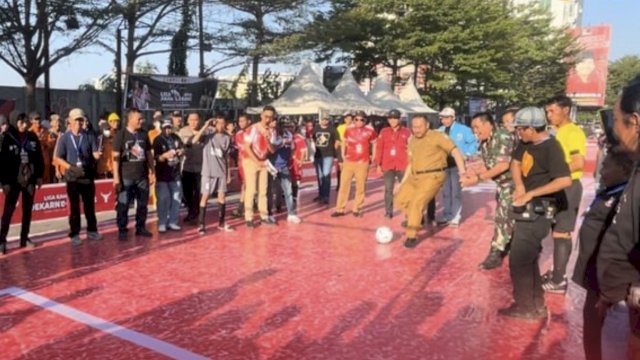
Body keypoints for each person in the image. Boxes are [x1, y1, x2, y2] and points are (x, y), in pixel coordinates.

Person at [499, 107, 571, 320]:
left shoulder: (552, 148)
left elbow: (564, 180)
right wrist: (520, 185)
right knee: (528, 258)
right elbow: (516, 163)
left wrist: (531, 193)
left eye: (520, 129)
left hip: (540, 210)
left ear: (532, 128)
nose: (517, 132)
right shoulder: (525, 143)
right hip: (525, 206)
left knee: (519, 259)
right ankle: (536, 303)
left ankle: (525, 307)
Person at [572, 147, 633, 360]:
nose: (601, 171)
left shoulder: (624, 197)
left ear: (624, 170)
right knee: (591, 327)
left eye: (606, 166)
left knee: (603, 333)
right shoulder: (609, 191)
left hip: (606, 280)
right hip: (594, 276)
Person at [597, 78, 640, 358]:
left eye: (616, 119)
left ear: (634, 121)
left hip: (630, 306)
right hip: (619, 301)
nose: (612, 128)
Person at [395, 115, 467, 249]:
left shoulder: (437, 136)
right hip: (415, 176)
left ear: (427, 125)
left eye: (419, 127)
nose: (416, 130)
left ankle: (411, 235)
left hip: (433, 175)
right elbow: (410, 164)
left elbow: (455, 151)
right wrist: (402, 183)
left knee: (416, 202)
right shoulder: (412, 140)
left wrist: (462, 173)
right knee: (400, 200)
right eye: (414, 127)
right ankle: (416, 219)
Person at [542, 95, 587, 294]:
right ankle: (556, 272)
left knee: (562, 232)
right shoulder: (556, 133)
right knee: (556, 231)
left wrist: (555, 172)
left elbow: (578, 162)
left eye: (552, 111)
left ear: (566, 110)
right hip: (557, 187)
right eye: (547, 112)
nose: (549, 115)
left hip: (568, 187)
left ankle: (559, 281)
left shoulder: (573, 132)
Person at [461, 112, 516, 270]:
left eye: (477, 127)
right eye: (473, 128)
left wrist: (477, 179)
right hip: (503, 185)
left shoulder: (502, 137)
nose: (475, 131)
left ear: (488, 124)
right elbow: (489, 164)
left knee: (502, 218)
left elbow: (503, 165)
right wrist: (475, 173)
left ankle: (496, 253)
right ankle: (512, 246)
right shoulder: (485, 142)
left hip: (513, 184)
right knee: (508, 217)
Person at [55, 108, 103, 246]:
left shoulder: (89, 136)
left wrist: (97, 155)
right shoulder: (64, 138)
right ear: (70, 121)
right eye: (76, 120)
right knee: (74, 207)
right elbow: (58, 158)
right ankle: (75, 233)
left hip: (87, 176)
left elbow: (94, 153)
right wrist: (71, 168)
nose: (79, 123)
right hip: (72, 177)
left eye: (81, 120)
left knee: (89, 206)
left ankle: (92, 230)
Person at [0, 112, 44, 254]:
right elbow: (2, 161)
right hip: (13, 181)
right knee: (8, 212)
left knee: (27, 211)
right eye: (21, 122)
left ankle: (24, 238)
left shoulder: (32, 137)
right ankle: (2, 240)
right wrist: (4, 182)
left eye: (26, 122)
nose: (24, 125)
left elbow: (39, 158)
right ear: (15, 121)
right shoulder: (7, 137)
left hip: (29, 180)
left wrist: (39, 176)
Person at [112, 108, 155, 240]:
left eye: (142, 118)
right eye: (139, 119)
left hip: (142, 176)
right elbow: (115, 157)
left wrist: (152, 170)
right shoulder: (121, 135)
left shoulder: (143, 134)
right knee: (123, 204)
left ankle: (140, 227)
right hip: (126, 177)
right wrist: (116, 178)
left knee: (142, 204)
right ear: (130, 119)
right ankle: (122, 229)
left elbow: (148, 153)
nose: (142, 121)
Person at [193, 115, 234, 234]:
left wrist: (228, 174)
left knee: (222, 197)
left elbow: (226, 157)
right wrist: (206, 124)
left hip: (221, 172)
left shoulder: (227, 138)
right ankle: (201, 224)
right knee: (205, 197)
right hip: (208, 173)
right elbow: (195, 140)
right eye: (218, 123)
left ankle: (221, 223)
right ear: (215, 124)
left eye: (223, 123)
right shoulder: (208, 137)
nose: (220, 125)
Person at [331, 110, 376, 218]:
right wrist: (342, 156)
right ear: (354, 119)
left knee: (360, 187)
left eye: (362, 119)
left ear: (365, 120)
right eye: (356, 119)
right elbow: (344, 142)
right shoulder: (349, 129)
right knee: (343, 186)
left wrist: (373, 156)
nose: (359, 121)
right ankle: (340, 209)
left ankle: (357, 208)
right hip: (349, 161)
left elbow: (375, 143)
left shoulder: (370, 130)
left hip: (362, 162)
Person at [437, 107, 477, 227]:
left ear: (453, 117)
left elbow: (474, 143)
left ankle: (455, 216)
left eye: (447, 117)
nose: (445, 120)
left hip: (457, 165)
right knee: (445, 192)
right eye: (443, 118)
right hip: (443, 165)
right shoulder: (439, 131)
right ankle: (447, 214)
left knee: (456, 191)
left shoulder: (464, 130)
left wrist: (467, 154)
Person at [374, 109, 411, 219]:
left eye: (395, 118)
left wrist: (410, 163)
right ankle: (388, 211)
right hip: (388, 164)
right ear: (388, 119)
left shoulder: (407, 132)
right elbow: (379, 148)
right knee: (388, 189)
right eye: (391, 118)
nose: (393, 120)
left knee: (405, 189)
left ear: (399, 119)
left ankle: (407, 212)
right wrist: (378, 164)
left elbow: (411, 148)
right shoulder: (384, 131)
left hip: (403, 164)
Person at [243, 106, 276, 227]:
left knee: (263, 190)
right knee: (251, 190)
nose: (268, 119)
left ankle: (264, 215)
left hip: (264, 161)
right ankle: (249, 217)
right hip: (251, 161)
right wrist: (256, 161)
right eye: (266, 116)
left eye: (270, 117)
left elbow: (272, 150)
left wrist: (268, 139)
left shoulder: (271, 131)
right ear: (261, 115)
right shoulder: (252, 129)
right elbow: (247, 147)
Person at [267, 118, 301, 224]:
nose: (286, 128)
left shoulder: (290, 135)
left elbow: (291, 149)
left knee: (288, 191)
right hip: (271, 167)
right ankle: (268, 214)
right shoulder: (272, 134)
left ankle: (291, 214)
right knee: (269, 192)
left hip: (284, 166)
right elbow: (271, 149)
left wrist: (291, 159)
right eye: (283, 126)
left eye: (288, 126)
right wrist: (281, 143)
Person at [153, 119, 184, 233]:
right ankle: (162, 222)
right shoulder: (157, 140)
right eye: (165, 127)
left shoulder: (175, 137)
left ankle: (173, 221)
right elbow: (155, 158)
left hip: (175, 172)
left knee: (176, 198)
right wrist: (164, 156)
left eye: (169, 127)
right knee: (163, 198)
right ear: (161, 128)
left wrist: (181, 151)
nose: (168, 130)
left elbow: (182, 148)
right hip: (162, 174)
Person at [179, 112, 205, 223]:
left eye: (196, 119)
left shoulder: (206, 131)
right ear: (187, 120)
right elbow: (178, 146)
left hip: (201, 167)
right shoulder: (182, 132)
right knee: (187, 192)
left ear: (199, 120)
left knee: (199, 192)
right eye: (191, 119)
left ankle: (197, 213)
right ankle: (191, 211)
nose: (193, 122)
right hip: (187, 167)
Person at [313, 117, 340, 205]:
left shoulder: (332, 128)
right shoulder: (316, 128)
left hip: (328, 155)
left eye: (326, 120)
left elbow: (337, 140)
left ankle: (326, 196)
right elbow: (312, 139)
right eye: (323, 119)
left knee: (326, 174)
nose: (324, 121)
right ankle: (321, 194)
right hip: (318, 155)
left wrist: (334, 150)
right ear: (320, 120)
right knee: (320, 176)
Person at [232, 114, 250, 218]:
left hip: (253, 162)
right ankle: (241, 207)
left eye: (243, 121)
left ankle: (245, 205)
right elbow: (243, 149)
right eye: (240, 121)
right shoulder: (238, 134)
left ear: (249, 121)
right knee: (245, 185)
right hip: (243, 163)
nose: (241, 123)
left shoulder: (253, 132)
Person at [29, 111, 55, 184]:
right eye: (36, 119)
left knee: (46, 181)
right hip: (35, 162)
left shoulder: (46, 130)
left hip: (45, 161)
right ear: (31, 121)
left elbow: (52, 143)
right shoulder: (29, 132)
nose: (38, 121)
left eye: (39, 119)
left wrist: (45, 143)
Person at [96, 112, 120, 179]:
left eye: (118, 121)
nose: (117, 123)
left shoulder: (118, 135)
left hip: (113, 167)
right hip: (104, 167)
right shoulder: (101, 136)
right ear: (109, 122)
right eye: (115, 121)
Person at [289, 121, 307, 207]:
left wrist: (301, 161)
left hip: (295, 162)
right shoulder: (284, 136)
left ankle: (294, 197)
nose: (290, 128)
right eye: (288, 126)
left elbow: (303, 150)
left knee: (295, 179)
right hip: (286, 161)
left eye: (292, 127)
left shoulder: (299, 138)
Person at [336, 113, 354, 191]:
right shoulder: (340, 127)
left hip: (351, 149)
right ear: (345, 120)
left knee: (349, 167)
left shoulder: (354, 127)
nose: (349, 121)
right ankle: (339, 183)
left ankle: (347, 183)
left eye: (351, 119)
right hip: (341, 148)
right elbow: (339, 138)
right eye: (348, 119)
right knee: (341, 166)